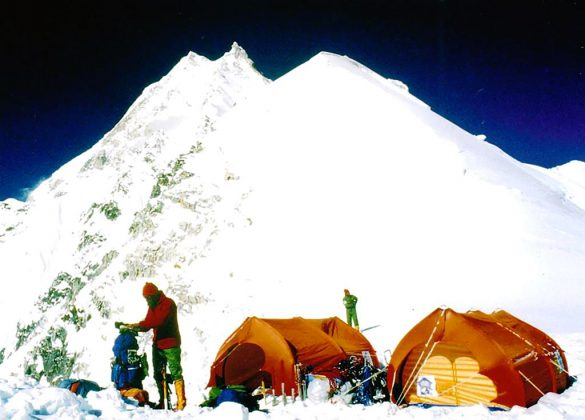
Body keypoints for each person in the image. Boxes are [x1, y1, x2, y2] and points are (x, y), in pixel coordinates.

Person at [120, 282, 186, 410]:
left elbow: (157, 321)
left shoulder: (168, 304)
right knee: (157, 373)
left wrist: (137, 325)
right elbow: (148, 324)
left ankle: (181, 403)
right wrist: (131, 326)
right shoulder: (152, 305)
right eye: (145, 298)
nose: (147, 300)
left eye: (148, 298)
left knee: (175, 371)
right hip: (158, 344)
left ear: (154, 295)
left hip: (171, 343)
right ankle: (163, 401)